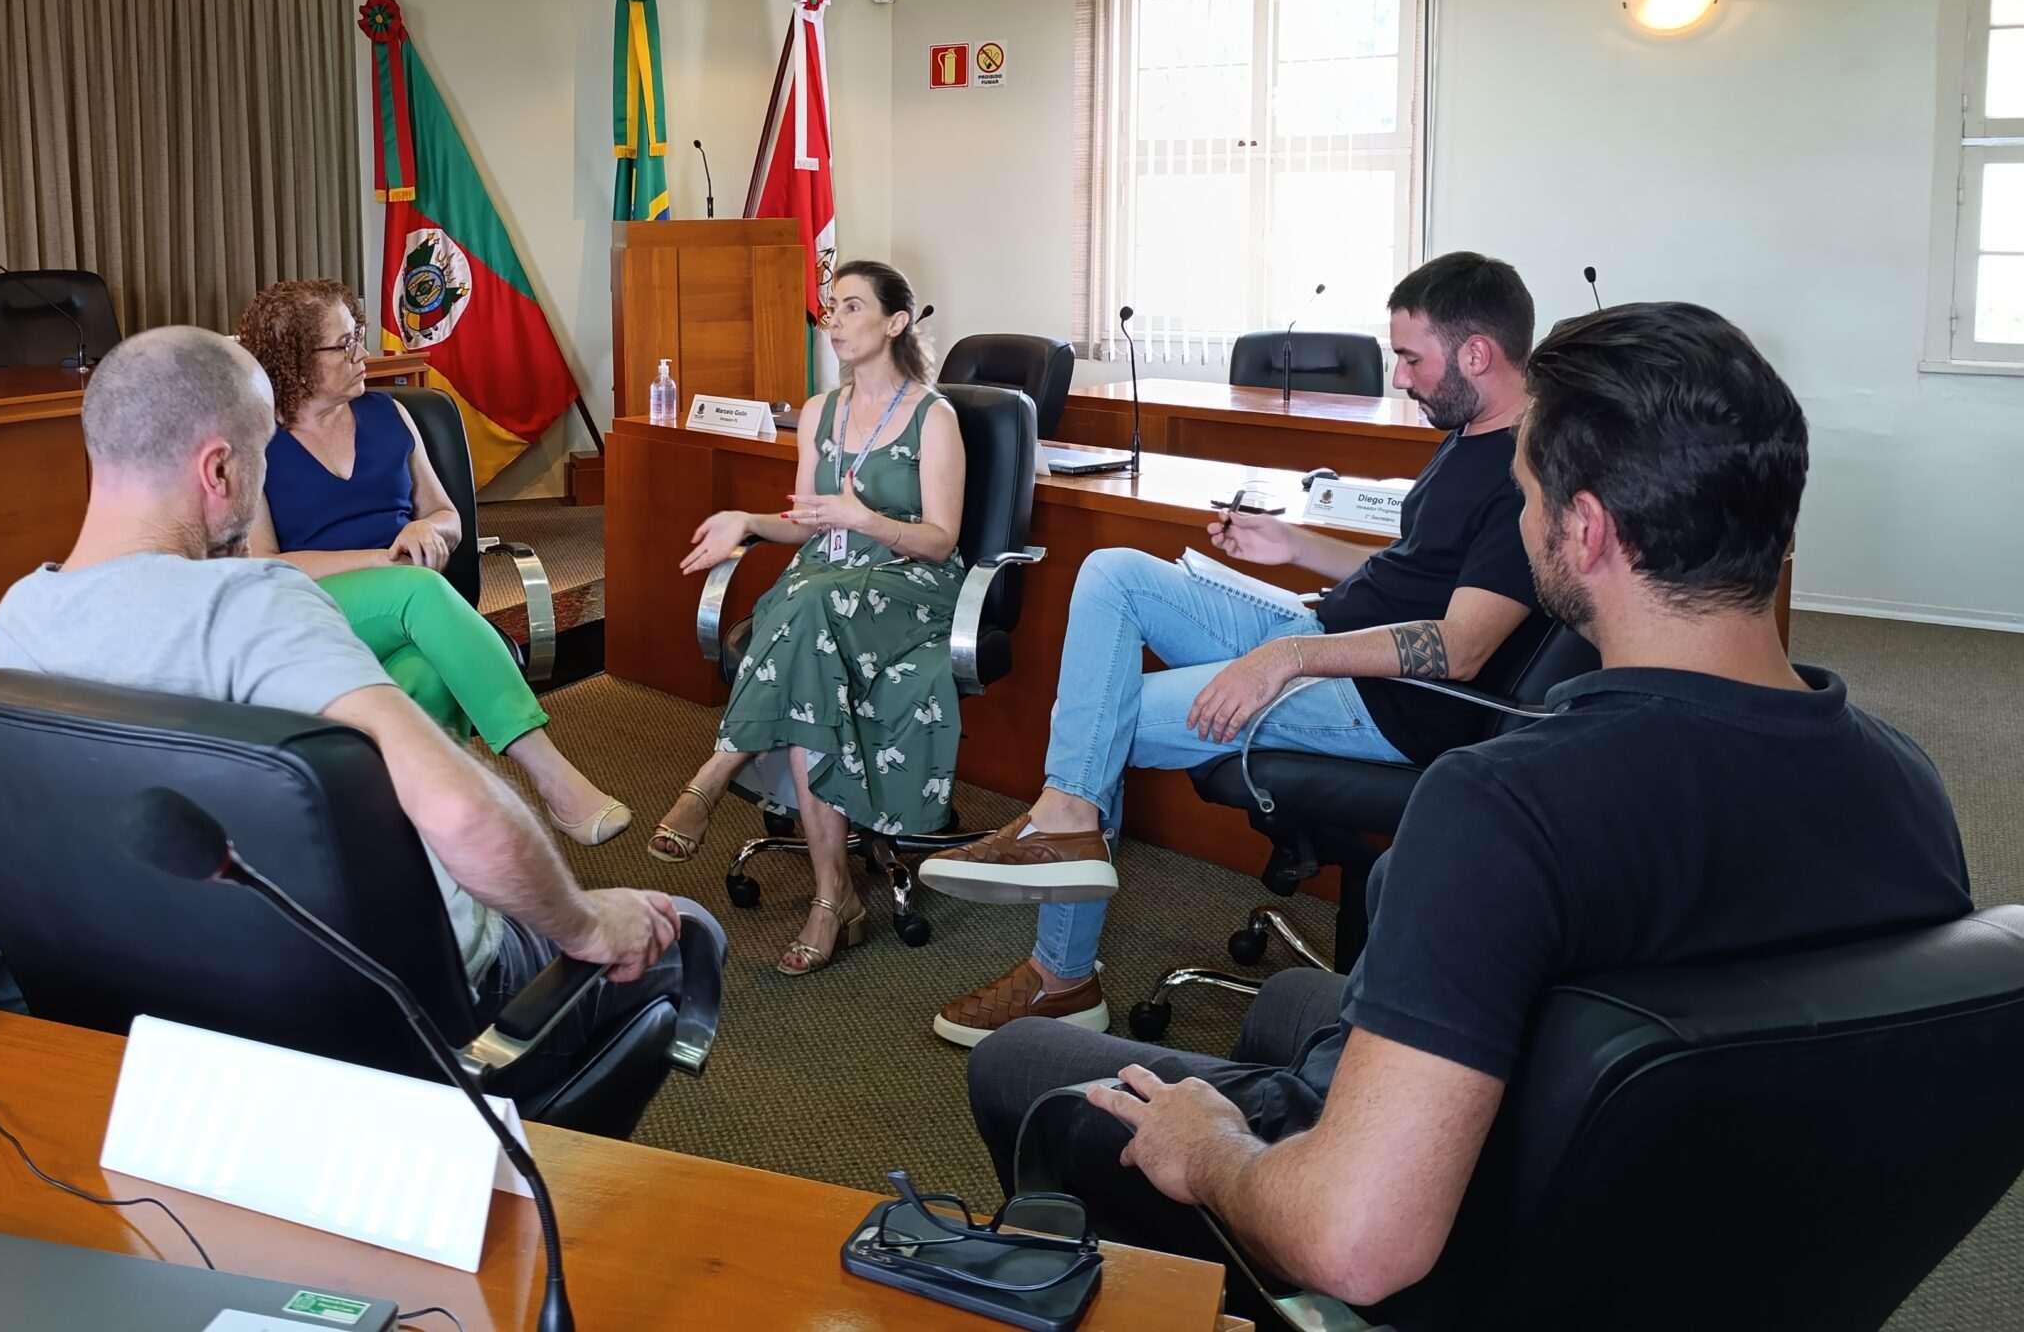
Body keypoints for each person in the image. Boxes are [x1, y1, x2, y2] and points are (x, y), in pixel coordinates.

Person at [965, 302, 1971, 1319]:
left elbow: (1355, 1244)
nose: (1520, 517)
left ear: (1585, 530)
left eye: (1527, 495)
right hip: (1708, 1234)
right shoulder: (1908, 782)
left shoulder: (1498, 808)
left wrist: (1211, 1146)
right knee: (1283, 1008)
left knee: (1021, 1066)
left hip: (1491, 1260)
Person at [0, 325, 695, 1099]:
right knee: (685, 937)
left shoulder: (19, 620)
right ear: (219, 468)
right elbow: (461, 817)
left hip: (162, 1000)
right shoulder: (255, 607)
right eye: (258, 456)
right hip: (384, 999)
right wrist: (588, 925)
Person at [918, 252, 1552, 1047]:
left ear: (1477, 354)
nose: (1401, 378)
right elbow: (1412, 574)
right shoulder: (1469, 431)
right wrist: (1292, 543)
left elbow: (1460, 647)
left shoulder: (1528, 471)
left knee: (1100, 717)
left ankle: (1060, 974)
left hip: (1386, 702)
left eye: (1411, 358)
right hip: (1326, 632)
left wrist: (1285, 659)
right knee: (1114, 571)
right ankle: (1068, 818)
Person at [649, 260, 966, 977]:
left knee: (806, 606)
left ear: (895, 322)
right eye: (830, 306)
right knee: (811, 638)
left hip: (907, 582)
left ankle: (718, 768)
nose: (834, 318)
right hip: (825, 587)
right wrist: (745, 518)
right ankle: (833, 898)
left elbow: (942, 538)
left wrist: (867, 519)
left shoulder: (933, 416)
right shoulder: (820, 412)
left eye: (852, 306)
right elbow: (803, 523)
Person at [236, 278, 626, 846]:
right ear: (293, 359)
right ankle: (550, 776)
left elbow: (449, 517)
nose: (360, 354)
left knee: (422, 679)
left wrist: (426, 527)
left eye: (358, 337)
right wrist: (381, 558)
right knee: (417, 589)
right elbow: (266, 565)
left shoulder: (390, 414)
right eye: (342, 345)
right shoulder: (254, 442)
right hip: (311, 613)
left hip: (408, 612)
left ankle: (418, 842)